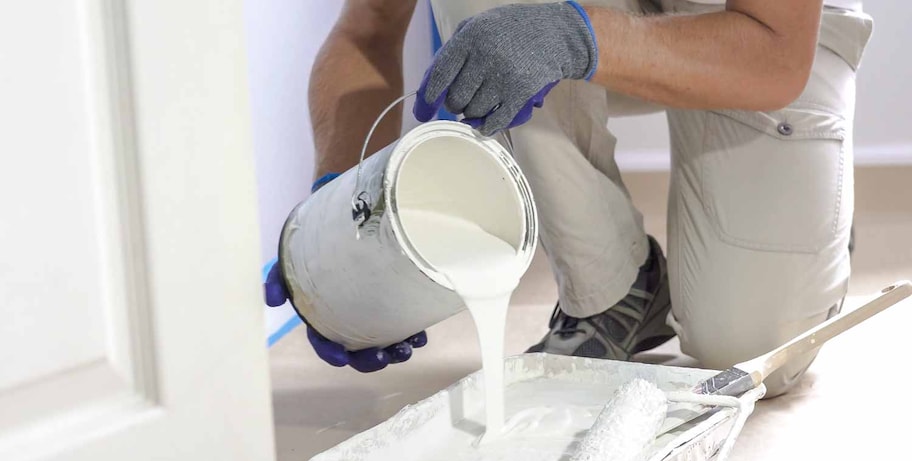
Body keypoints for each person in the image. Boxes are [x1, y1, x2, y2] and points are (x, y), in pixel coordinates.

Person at [265, 0, 872, 396]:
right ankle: (612, 291)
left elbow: (775, 52)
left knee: (751, 349)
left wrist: (573, 36)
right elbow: (369, 28)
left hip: (757, 28)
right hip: (592, 11)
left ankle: (819, 211)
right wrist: (339, 210)